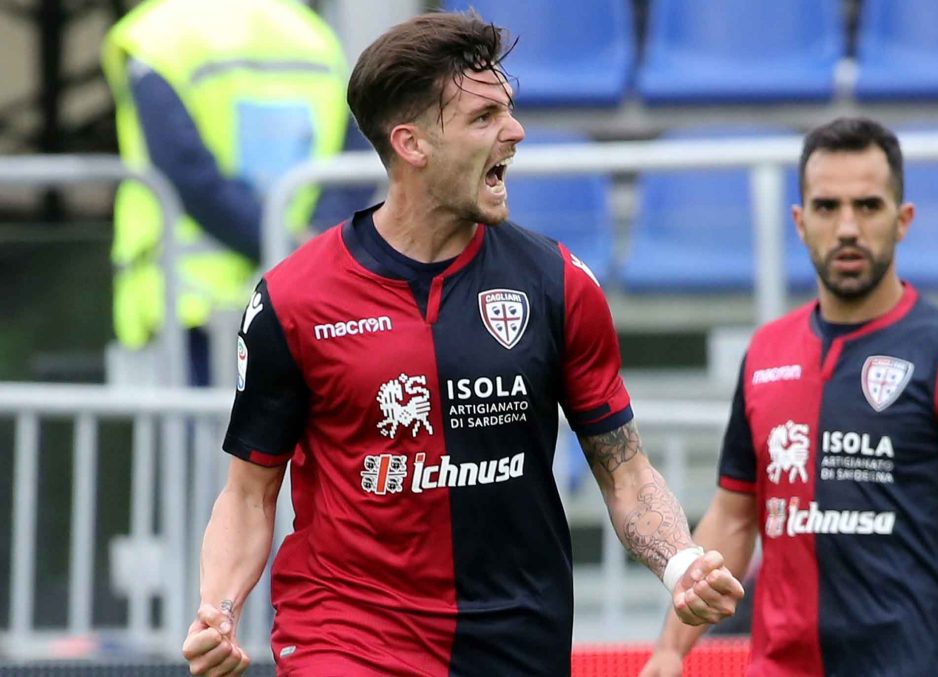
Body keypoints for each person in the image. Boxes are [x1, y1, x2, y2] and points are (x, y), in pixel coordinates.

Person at [180, 10, 745, 676]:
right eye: (484, 117)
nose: (516, 131)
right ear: (412, 144)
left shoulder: (558, 283)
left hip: (516, 640)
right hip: (349, 637)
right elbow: (248, 494)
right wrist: (219, 608)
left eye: (508, 109)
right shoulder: (294, 299)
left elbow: (626, 472)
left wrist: (680, 563)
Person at [641, 117, 938, 676]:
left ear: (903, 220)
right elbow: (733, 516)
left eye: (868, 206)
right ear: (800, 222)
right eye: (827, 207)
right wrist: (671, 648)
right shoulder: (765, 353)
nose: (847, 227)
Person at [102, 0, 369, 386]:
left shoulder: (159, 34)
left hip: (189, 300)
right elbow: (354, 153)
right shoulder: (312, 34)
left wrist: (277, 241)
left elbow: (184, 169)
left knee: (194, 425)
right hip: (301, 300)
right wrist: (314, 243)